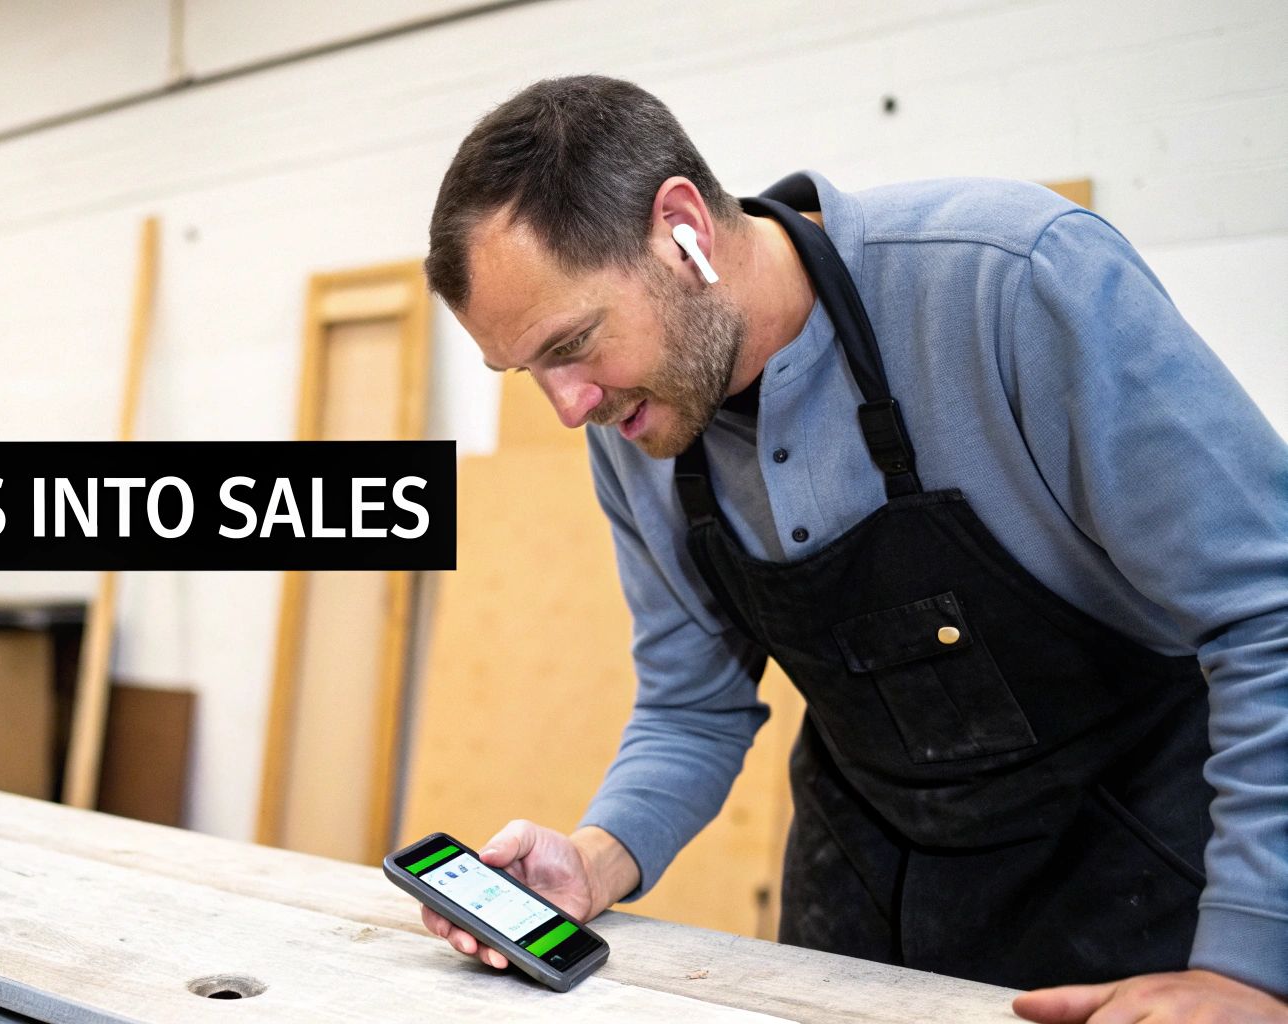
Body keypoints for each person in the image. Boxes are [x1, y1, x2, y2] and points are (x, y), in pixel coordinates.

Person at [419, 75, 1288, 1022]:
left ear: (682, 231)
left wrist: (1246, 965)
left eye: (573, 343)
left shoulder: (1012, 281)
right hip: (863, 906)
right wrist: (592, 858)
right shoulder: (634, 429)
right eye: (529, 372)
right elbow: (692, 710)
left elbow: (1268, 618)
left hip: (1137, 899)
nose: (569, 405)